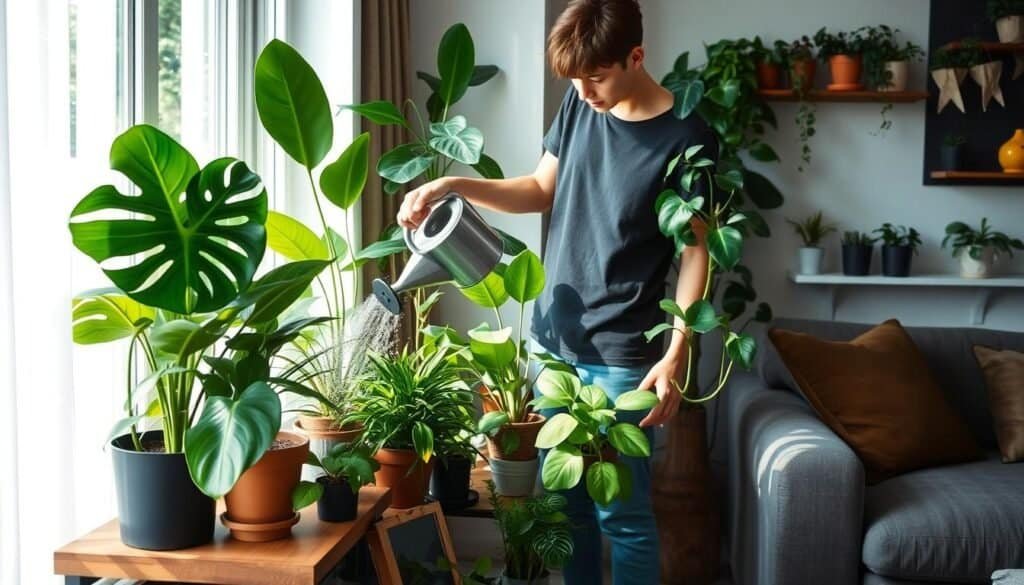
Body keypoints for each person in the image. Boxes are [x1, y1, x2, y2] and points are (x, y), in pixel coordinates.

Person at [397, 1, 714, 583]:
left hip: (625, 356)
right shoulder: (580, 102)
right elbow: (540, 189)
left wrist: (677, 350)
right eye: (575, 80)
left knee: (623, 514)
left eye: (596, 76)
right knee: (567, 505)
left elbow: (697, 252)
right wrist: (450, 183)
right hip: (553, 343)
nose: (585, 91)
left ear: (636, 57)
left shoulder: (687, 138)